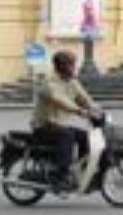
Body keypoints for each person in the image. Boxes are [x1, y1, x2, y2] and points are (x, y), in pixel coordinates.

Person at [32, 50, 99, 190]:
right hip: (44, 126)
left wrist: (96, 109)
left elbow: (84, 97)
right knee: (66, 135)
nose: (74, 68)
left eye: (74, 65)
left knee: (88, 137)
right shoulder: (48, 83)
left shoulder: (71, 81)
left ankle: (82, 173)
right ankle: (60, 175)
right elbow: (60, 100)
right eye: (72, 66)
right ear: (62, 67)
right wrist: (79, 111)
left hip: (60, 125)